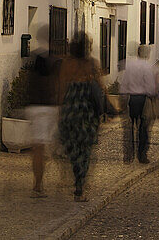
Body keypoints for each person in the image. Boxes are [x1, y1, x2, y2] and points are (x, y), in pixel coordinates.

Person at [57, 32, 105, 201]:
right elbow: (99, 87)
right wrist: (105, 108)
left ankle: (75, 174)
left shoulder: (66, 64)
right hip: (86, 112)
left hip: (70, 111)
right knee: (85, 151)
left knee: (72, 148)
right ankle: (79, 185)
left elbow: (62, 88)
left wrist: (60, 111)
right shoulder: (91, 64)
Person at [24, 40, 60, 197]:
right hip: (47, 110)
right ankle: (38, 185)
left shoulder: (34, 79)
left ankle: (37, 183)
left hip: (34, 109)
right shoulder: (49, 80)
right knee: (41, 149)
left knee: (38, 148)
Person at [120, 44, 159, 164]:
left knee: (130, 128)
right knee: (143, 128)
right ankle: (141, 155)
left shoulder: (130, 66)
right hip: (143, 99)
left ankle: (128, 156)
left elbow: (124, 83)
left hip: (131, 99)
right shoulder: (147, 67)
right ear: (147, 54)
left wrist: (123, 97)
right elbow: (150, 87)